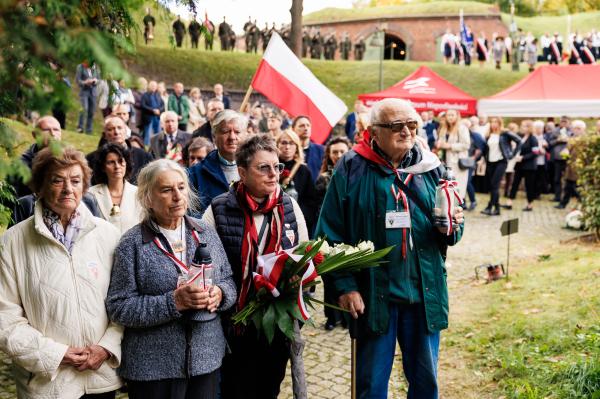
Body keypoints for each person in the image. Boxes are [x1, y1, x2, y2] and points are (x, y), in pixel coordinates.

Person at [315, 98, 464, 399]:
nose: (407, 132)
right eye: (396, 126)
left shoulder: (431, 166)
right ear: (374, 131)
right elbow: (327, 236)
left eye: (412, 124)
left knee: (426, 382)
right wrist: (344, 287)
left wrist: (453, 225)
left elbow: (454, 223)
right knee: (371, 385)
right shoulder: (351, 168)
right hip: (373, 296)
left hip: (422, 294)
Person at [106, 159, 236, 399]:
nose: (177, 196)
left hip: (204, 359)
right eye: (166, 190)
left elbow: (228, 280)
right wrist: (173, 302)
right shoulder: (132, 244)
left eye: (181, 187)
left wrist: (221, 293)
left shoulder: (205, 232)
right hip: (153, 368)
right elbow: (119, 307)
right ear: (147, 199)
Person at [0, 146, 123, 398]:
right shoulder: (13, 241)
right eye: (57, 180)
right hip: (49, 383)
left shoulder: (108, 234)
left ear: (85, 186)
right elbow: (5, 318)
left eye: (76, 181)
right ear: (39, 186)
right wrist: (54, 355)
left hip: (100, 376)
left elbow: (123, 301)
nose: (68, 189)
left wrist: (106, 347)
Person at [201, 134, 309, 399]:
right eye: (264, 168)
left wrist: (299, 288)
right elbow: (207, 270)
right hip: (234, 325)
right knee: (235, 390)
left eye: (277, 167)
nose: (273, 174)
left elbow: (305, 257)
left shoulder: (289, 207)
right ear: (242, 172)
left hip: (276, 322)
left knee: (269, 388)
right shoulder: (217, 210)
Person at [314, 136, 351, 330]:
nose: (338, 155)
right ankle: (331, 316)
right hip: (326, 233)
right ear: (328, 155)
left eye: (341, 151)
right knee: (329, 276)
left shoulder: (354, 176)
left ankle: (346, 316)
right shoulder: (323, 178)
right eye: (334, 152)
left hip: (348, 233)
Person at [188, 110, 247, 214]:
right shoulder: (195, 174)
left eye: (237, 132)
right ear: (214, 136)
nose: (232, 137)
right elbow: (191, 216)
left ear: (245, 136)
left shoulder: (255, 170)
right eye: (225, 131)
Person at [88, 143, 142, 234]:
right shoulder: (91, 194)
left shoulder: (139, 194)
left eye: (121, 161)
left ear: (126, 164)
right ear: (103, 167)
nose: (117, 166)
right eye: (111, 162)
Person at [87, 116, 154, 185]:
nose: (116, 132)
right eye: (110, 129)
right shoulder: (92, 159)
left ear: (125, 131)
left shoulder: (144, 156)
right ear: (104, 135)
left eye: (119, 128)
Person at [277, 129, 319, 236]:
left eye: (291, 143)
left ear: (296, 147)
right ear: (277, 144)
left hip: (296, 221)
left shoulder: (303, 170)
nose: (287, 147)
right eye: (284, 142)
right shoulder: (272, 166)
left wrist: (299, 217)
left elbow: (311, 200)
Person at [481, 117, 521, 216]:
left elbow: (519, 141)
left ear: (500, 123)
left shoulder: (505, 133)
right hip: (490, 162)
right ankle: (494, 207)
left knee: (495, 185)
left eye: (496, 122)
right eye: (492, 122)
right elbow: (486, 149)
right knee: (492, 185)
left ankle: (492, 207)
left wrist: (512, 154)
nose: (493, 124)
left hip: (501, 161)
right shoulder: (488, 135)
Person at [504, 120, 540, 211]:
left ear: (529, 128)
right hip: (519, 165)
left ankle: (530, 204)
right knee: (515, 183)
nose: (522, 127)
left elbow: (535, 152)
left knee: (529, 186)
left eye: (524, 126)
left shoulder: (533, 139)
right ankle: (509, 202)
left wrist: (523, 157)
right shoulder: (520, 136)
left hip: (529, 166)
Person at [435, 109, 470, 200]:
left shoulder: (462, 128)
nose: (450, 117)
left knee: (457, 186)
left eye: (452, 115)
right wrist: (439, 143)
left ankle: (457, 207)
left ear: (457, 116)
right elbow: (441, 141)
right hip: (445, 161)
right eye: (448, 115)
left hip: (457, 162)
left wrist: (450, 146)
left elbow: (466, 145)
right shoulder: (444, 128)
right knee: (447, 187)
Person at [556, 120, 585, 209]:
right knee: (568, 186)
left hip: (579, 167)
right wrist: (565, 152)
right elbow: (568, 149)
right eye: (575, 128)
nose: (576, 130)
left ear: (582, 129)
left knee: (577, 187)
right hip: (570, 166)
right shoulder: (571, 138)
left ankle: (582, 203)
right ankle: (563, 203)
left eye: (578, 128)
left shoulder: (584, 139)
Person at [292, 115, 324, 183]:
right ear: (293, 129)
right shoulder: (288, 150)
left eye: (308, 125)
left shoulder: (321, 150)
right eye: (301, 126)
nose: (306, 128)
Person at [548, 116, 572, 202]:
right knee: (557, 178)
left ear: (569, 122)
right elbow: (550, 143)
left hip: (568, 158)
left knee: (568, 178)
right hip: (557, 158)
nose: (564, 123)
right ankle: (557, 196)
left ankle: (567, 196)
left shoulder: (572, 131)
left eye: (566, 122)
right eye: (562, 122)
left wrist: (568, 140)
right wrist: (557, 140)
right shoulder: (555, 131)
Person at [464, 118, 486, 211]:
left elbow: (480, 149)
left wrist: (473, 158)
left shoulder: (475, 135)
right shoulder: (458, 134)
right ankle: (463, 202)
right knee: (460, 183)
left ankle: (473, 201)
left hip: (469, 163)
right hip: (459, 163)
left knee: (467, 182)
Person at [75, 60, 100, 134]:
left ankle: (89, 130)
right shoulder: (80, 67)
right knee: (84, 109)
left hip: (93, 92)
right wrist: (85, 82)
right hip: (84, 91)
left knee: (91, 111)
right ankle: (80, 127)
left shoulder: (96, 67)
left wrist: (96, 81)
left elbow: (99, 80)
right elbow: (78, 81)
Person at [141, 80, 165, 147]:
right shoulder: (145, 95)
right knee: (148, 134)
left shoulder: (158, 95)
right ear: (149, 86)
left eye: (155, 86)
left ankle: (158, 146)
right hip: (148, 117)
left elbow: (163, 105)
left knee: (158, 133)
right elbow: (143, 105)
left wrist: (159, 110)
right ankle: (146, 147)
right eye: (152, 86)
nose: (153, 87)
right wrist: (152, 110)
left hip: (157, 117)